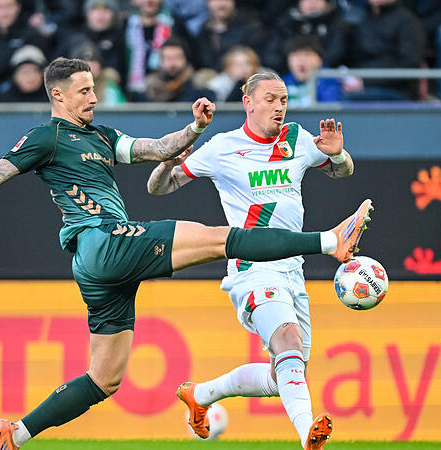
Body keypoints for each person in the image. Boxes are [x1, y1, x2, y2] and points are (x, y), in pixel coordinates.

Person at [0, 57, 372, 450]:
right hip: (104, 240)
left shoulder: (103, 135)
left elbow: (158, 150)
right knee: (221, 238)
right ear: (58, 97)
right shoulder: (46, 137)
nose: (93, 97)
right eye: (85, 91)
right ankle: (331, 241)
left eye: (94, 89)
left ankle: (17, 433)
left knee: (104, 379)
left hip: (101, 271)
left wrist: (194, 126)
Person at [146, 71, 370, 450]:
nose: (279, 107)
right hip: (252, 268)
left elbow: (341, 171)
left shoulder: (297, 138)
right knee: (288, 341)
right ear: (248, 102)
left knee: (281, 374)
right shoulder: (221, 147)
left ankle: (199, 396)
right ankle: (307, 437)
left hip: (292, 270)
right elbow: (158, 188)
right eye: (270, 99)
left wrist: (339, 154)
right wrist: (169, 162)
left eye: (283, 100)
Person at [346, 0, 424, 101]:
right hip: (360, 85)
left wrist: (365, 81)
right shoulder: (363, 20)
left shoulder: (408, 22)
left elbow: (409, 65)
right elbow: (351, 57)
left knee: (342, 100)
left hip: (396, 90)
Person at [192, 0, 265, 71]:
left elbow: (259, 57)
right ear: (208, 3)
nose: (222, 4)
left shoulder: (250, 24)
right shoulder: (205, 30)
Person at [142, 37, 215, 102]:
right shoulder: (150, 90)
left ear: (186, 59)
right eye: (168, 58)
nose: (173, 63)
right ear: (161, 61)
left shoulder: (198, 88)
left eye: (177, 57)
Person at [281, 35, 341, 106]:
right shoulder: (281, 84)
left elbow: (329, 111)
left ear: (319, 60)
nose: (301, 60)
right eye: (296, 55)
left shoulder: (330, 83)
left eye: (307, 55)